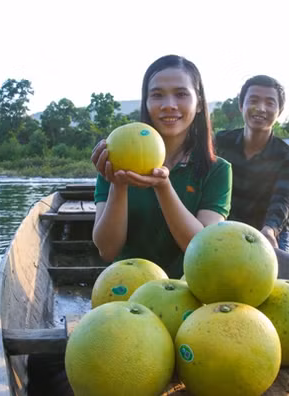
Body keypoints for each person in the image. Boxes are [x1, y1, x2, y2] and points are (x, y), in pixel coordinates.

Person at [90, 55, 232, 277]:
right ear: (146, 103)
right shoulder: (115, 160)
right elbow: (107, 250)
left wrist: (163, 187)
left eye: (181, 94)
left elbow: (202, 248)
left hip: (189, 291)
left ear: (199, 104)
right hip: (126, 288)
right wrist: (119, 185)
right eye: (157, 95)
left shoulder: (218, 170)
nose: (169, 105)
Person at [214, 75, 289, 252]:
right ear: (242, 105)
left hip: (269, 233)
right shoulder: (221, 143)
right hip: (226, 230)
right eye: (253, 100)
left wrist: (269, 230)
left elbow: (282, 201)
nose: (261, 108)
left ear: (279, 111)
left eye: (270, 103)